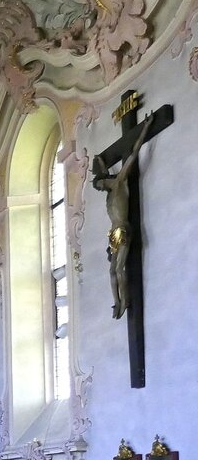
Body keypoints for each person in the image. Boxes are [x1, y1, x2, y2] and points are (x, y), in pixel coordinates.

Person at [93, 117, 153, 318]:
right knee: (111, 271)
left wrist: (145, 128)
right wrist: (101, 162)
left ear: (105, 182)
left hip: (124, 228)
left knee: (119, 269)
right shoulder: (110, 194)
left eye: (101, 186)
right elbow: (103, 173)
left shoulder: (119, 183)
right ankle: (117, 302)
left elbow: (134, 154)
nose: (102, 189)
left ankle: (125, 299)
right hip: (114, 233)